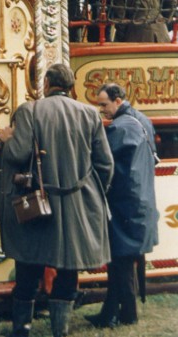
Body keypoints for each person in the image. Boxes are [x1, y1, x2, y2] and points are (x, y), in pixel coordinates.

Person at [0, 63, 114, 337]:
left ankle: (22, 329)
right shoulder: (89, 113)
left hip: (37, 204)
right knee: (68, 268)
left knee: (28, 265)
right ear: (71, 86)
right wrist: (91, 193)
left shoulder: (29, 110)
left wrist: (6, 139)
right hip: (77, 204)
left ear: (47, 83)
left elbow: (18, 154)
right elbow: (105, 164)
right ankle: (60, 329)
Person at [92, 83, 159, 328]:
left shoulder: (119, 128)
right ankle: (113, 312)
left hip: (124, 202)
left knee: (119, 260)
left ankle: (125, 313)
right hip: (141, 200)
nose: (102, 109)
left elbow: (104, 162)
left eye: (104, 104)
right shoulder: (142, 120)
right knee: (124, 259)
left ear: (118, 101)